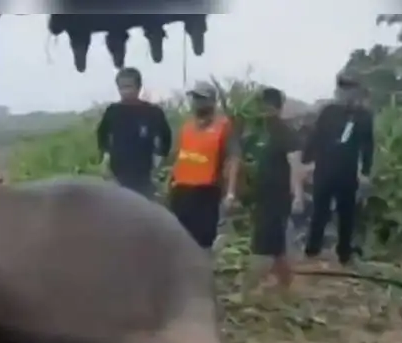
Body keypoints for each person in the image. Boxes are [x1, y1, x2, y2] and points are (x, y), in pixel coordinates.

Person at [301, 73, 375, 266]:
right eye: (342, 89)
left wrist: (365, 172)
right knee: (320, 211)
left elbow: (368, 146)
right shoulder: (328, 112)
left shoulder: (364, 117)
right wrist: (305, 160)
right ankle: (312, 250)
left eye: (349, 89)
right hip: (324, 169)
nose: (345, 93)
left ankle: (344, 253)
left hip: (347, 172)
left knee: (346, 214)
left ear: (356, 91)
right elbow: (315, 136)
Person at [168, 80, 241, 251]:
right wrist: (170, 183)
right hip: (181, 191)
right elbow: (179, 157)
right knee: (179, 239)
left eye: (201, 98)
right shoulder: (187, 126)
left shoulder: (223, 126)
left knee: (203, 243)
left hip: (206, 192)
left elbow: (234, 159)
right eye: (195, 98)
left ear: (211, 101)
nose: (197, 102)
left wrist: (230, 193)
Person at [249, 87, 306, 291]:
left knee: (272, 242)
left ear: (275, 107)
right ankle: (282, 282)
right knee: (272, 243)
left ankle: (273, 282)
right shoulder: (260, 132)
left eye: (266, 105)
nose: (263, 110)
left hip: (278, 196)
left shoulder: (285, 133)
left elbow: (295, 165)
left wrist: (297, 195)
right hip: (262, 196)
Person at [95, 67, 172, 198]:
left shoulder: (152, 112)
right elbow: (102, 134)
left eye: (129, 87)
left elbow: (166, 136)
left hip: (144, 171)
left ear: (138, 87)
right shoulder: (113, 111)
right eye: (121, 88)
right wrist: (105, 156)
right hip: (118, 172)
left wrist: (160, 156)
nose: (125, 91)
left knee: (143, 205)